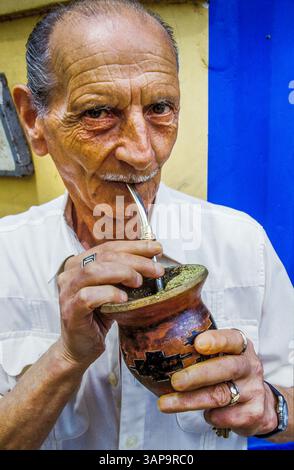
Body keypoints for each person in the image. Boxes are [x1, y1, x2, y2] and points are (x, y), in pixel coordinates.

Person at [0, 0, 293, 450]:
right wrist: (65, 358)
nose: (143, 154)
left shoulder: (241, 243)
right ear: (34, 120)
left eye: (160, 107)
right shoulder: (6, 256)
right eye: (98, 113)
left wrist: (271, 407)